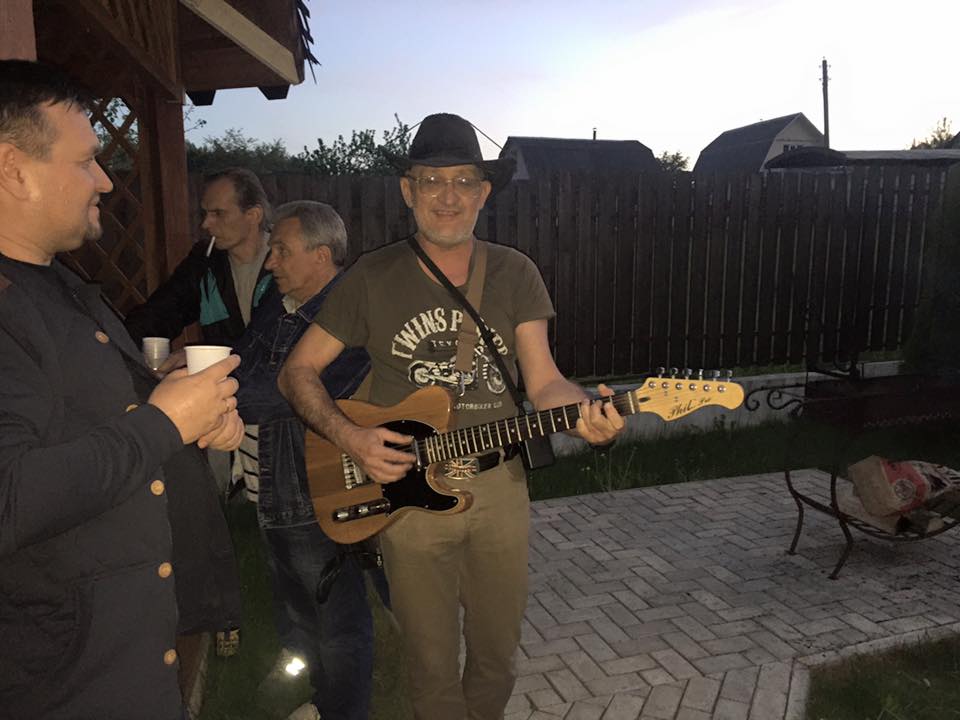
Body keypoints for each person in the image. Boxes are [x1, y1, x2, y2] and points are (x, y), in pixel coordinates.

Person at [278, 113, 625, 720]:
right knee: (431, 664)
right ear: (408, 190)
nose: (448, 195)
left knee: (497, 656)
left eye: (464, 181)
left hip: (500, 490)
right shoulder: (373, 275)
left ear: (483, 192)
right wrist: (351, 438)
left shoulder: (516, 272)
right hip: (408, 498)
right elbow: (296, 372)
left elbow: (544, 382)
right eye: (432, 180)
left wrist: (586, 417)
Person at [0, 60, 245, 719]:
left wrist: (189, 407)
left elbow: (98, 416)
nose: (105, 180)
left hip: (125, 662)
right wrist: (164, 424)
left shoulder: (59, 285)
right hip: (59, 688)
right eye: (87, 161)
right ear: (13, 168)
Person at [234, 201, 379, 720]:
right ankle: (317, 694)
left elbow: (282, 397)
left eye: (281, 250)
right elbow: (244, 361)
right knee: (294, 606)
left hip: (312, 490)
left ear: (321, 255)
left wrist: (208, 398)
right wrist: (207, 370)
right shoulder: (280, 305)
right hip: (269, 488)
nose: (269, 261)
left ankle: (344, 710)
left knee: (338, 619)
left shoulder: (350, 317)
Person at [123, 166, 274, 348]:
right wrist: (118, 345)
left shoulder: (288, 262)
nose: (205, 224)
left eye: (218, 213)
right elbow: (162, 313)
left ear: (253, 215)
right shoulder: (205, 261)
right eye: (205, 213)